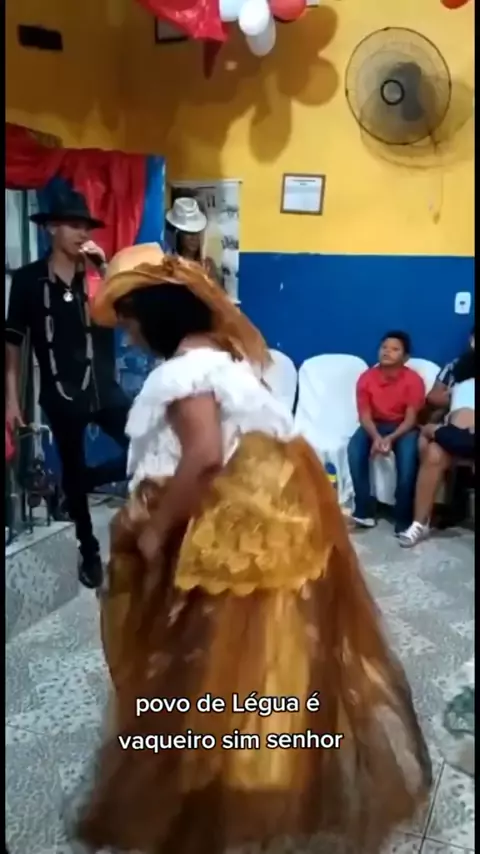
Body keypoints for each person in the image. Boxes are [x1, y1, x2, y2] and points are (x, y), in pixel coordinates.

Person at [75, 245, 431, 854]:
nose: (129, 337)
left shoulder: (183, 374)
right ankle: (272, 772)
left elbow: (204, 457)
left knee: (210, 665)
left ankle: (228, 784)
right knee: (270, 662)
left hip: (229, 539)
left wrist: (156, 531)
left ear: (155, 316)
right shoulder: (225, 358)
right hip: (272, 532)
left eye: (130, 322)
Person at [5, 189, 130, 589]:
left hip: (104, 390)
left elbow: (127, 315)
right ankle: (88, 549)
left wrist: (105, 270)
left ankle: (84, 482)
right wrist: (11, 399)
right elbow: (13, 343)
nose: (82, 234)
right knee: (72, 467)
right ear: (52, 229)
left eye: (86, 227)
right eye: (74, 226)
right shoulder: (28, 281)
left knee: (146, 447)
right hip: (61, 395)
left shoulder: (96, 275)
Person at [347, 331, 425, 533]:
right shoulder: (366, 378)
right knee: (354, 449)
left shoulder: (414, 380)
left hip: (403, 427)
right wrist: (376, 437)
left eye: (395, 349)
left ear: (405, 357)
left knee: (408, 462)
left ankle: (403, 518)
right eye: (384, 347)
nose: (387, 352)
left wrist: (390, 438)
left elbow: (411, 419)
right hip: (374, 425)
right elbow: (364, 415)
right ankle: (363, 510)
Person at [399, 373, 474, 548]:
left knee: (433, 432)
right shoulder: (459, 371)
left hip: (463, 437)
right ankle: (419, 523)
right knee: (433, 454)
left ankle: (437, 432)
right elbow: (434, 397)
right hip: (455, 436)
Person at [166, 196, 224, 286]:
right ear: (178, 234)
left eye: (197, 232)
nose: (194, 238)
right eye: (189, 233)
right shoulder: (170, 265)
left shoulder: (208, 266)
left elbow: (217, 292)